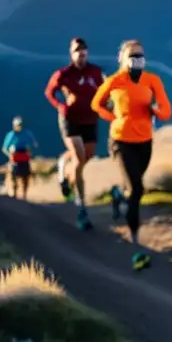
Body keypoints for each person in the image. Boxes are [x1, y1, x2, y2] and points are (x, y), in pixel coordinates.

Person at [91, 39, 172, 271]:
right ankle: (135, 243)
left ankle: (118, 194)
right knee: (137, 190)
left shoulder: (152, 80)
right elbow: (96, 104)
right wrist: (113, 119)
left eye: (140, 55)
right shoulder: (114, 81)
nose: (137, 59)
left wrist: (153, 110)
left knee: (133, 187)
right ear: (123, 59)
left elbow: (166, 110)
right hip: (120, 142)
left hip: (144, 141)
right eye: (133, 56)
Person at [45, 37, 106, 229]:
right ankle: (82, 206)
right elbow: (49, 92)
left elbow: (105, 90)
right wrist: (60, 106)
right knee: (79, 159)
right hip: (70, 120)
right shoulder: (63, 74)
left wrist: (108, 105)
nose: (81, 53)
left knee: (86, 157)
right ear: (71, 54)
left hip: (90, 120)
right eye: (77, 50)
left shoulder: (95, 72)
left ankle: (63, 169)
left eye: (84, 49)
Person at [2, 116, 39, 199]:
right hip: (14, 158)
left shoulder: (27, 133)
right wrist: (9, 155)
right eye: (17, 125)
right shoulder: (11, 135)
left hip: (24, 158)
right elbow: (4, 148)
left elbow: (34, 144)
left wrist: (30, 151)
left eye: (20, 125)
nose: (19, 127)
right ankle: (14, 193)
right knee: (12, 175)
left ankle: (24, 195)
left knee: (26, 177)